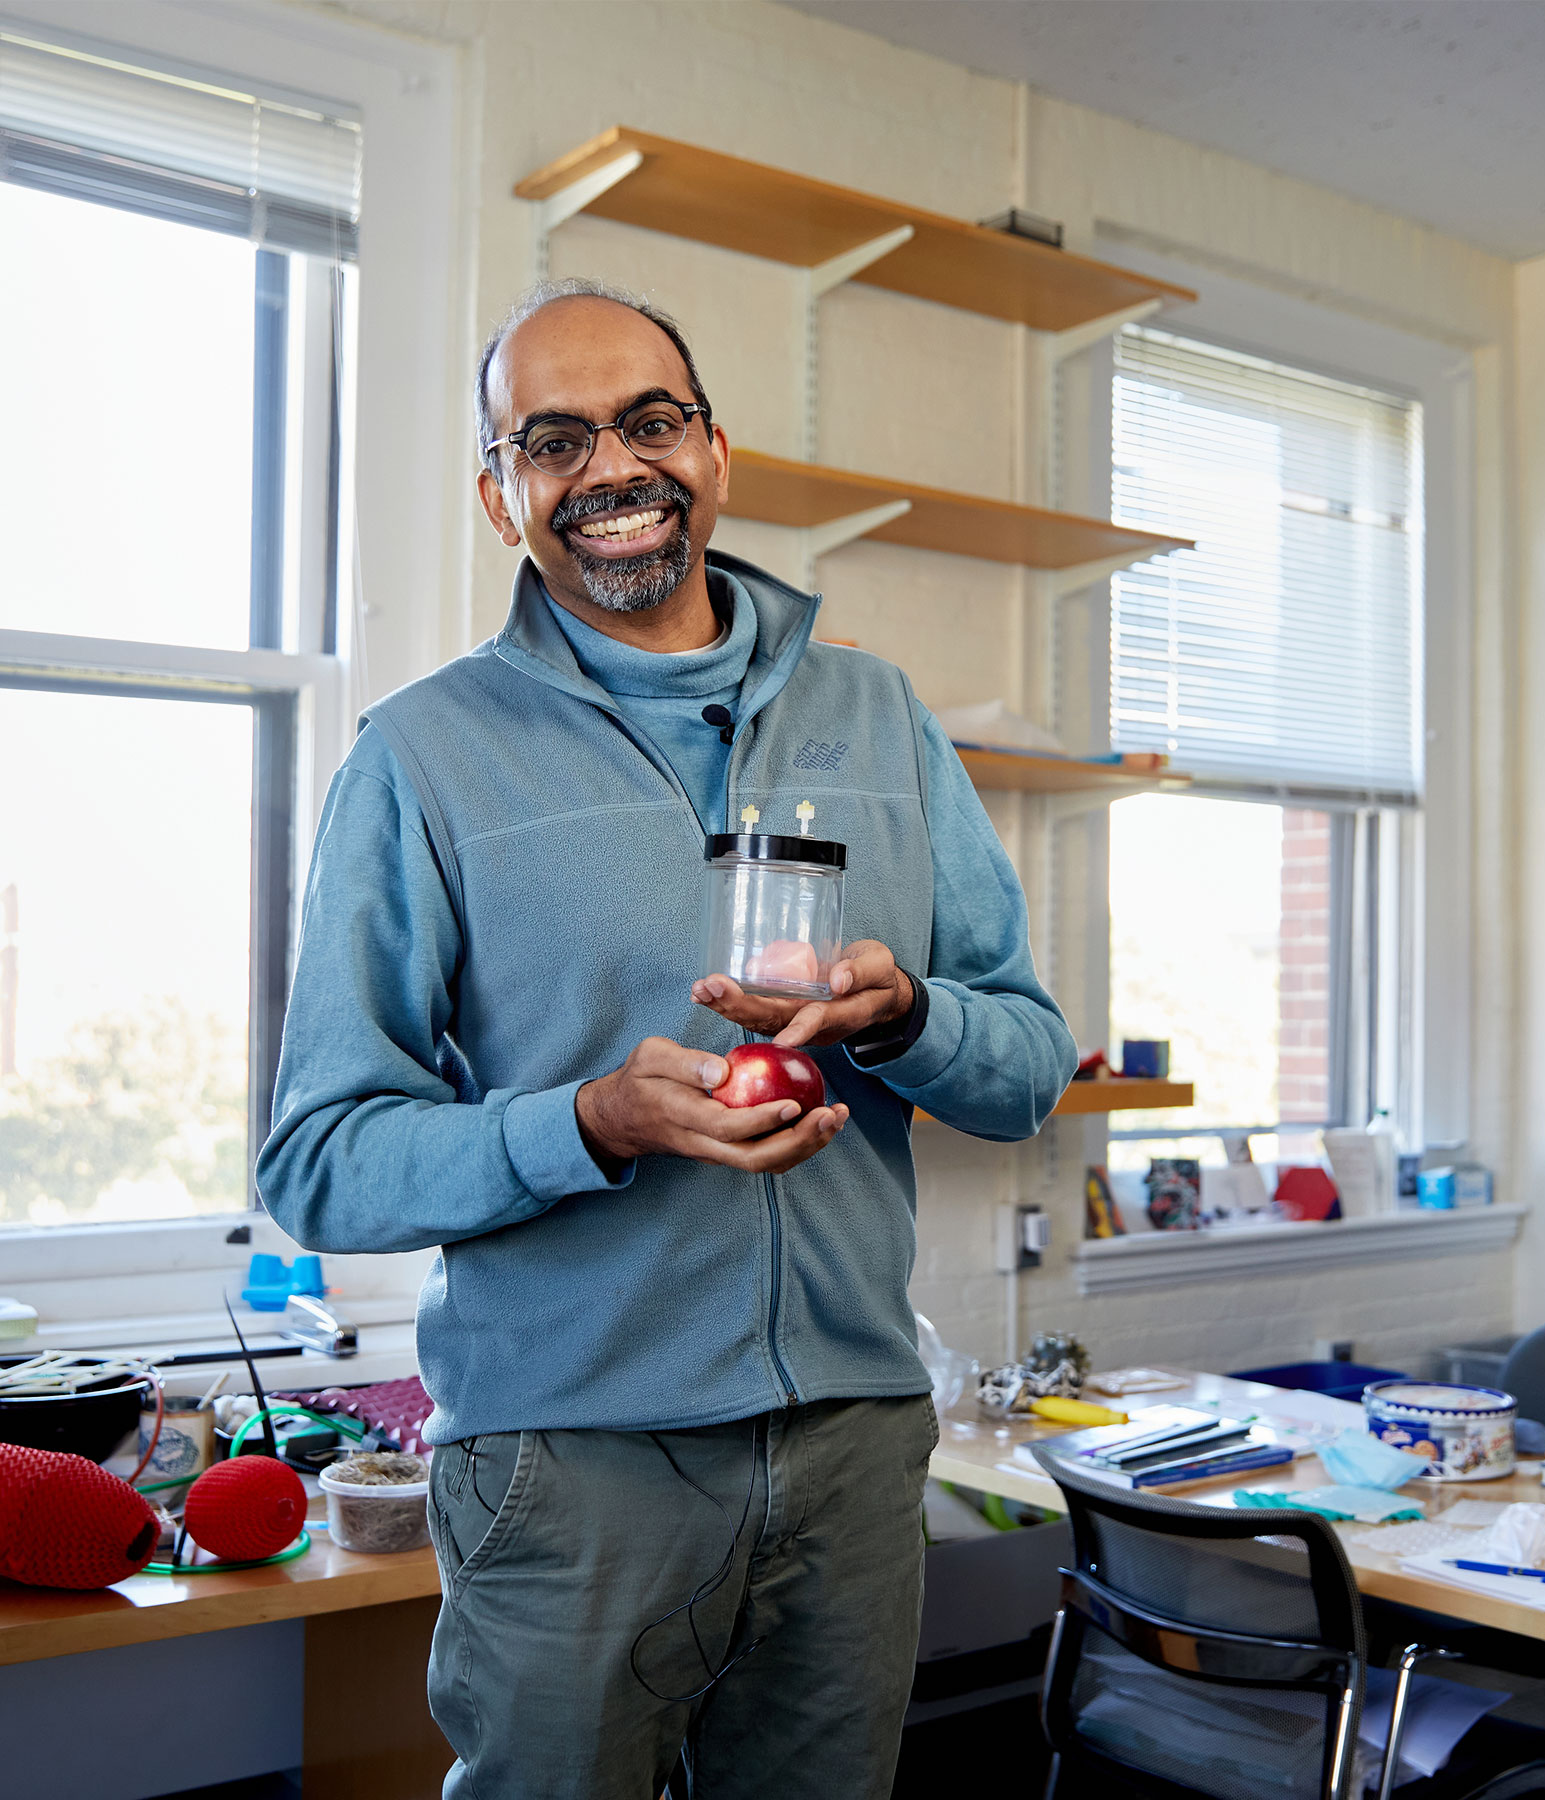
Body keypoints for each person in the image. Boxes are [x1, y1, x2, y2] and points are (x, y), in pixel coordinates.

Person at [257, 279, 1074, 1797]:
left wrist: (905, 1015)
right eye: (552, 441)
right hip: (571, 1470)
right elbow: (321, 1162)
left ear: (716, 452)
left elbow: (1027, 1064)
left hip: (854, 1441)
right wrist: (589, 1125)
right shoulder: (422, 759)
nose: (613, 469)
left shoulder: (882, 719)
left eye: (650, 421)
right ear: (503, 499)